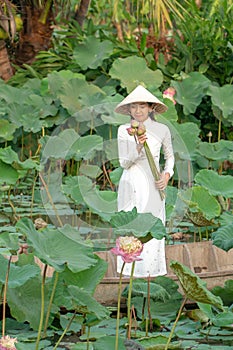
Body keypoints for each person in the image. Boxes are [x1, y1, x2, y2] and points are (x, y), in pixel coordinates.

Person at [115, 85, 175, 277]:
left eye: (142, 106)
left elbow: (170, 157)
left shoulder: (162, 129)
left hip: (154, 183)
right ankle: (128, 273)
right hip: (131, 183)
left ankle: (151, 273)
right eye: (133, 107)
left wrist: (166, 176)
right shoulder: (124, 130)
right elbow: (124, 162)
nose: (138, 111)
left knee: (152, 226)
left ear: (151, 108)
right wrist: (139, 147)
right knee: (131, 224)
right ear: (129, 110)